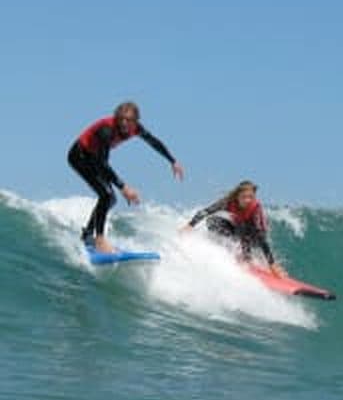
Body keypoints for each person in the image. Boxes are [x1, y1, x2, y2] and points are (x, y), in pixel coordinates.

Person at [68, 102, 184, 253]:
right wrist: (123, 187)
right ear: (116, 118)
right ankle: (99, 239)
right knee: (106, 195)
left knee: (110, 198)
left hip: (96, 158)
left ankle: (88, 235)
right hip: (79, 156)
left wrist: (172, 161)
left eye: (128, 120)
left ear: (135, 121)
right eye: (121, 119)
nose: (124, 123)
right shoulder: (106, 130)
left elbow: (153, 141)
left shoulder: (136, 128)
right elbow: (101, 162)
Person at [182, 180, 286, 276]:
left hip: (256, 235)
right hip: (239, 228)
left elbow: (260, 236)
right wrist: (189, 226)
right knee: (212, 221)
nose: (248, 200)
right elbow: (206, 211)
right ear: (237, 196)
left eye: (251, 197)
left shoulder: (255, 207)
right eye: (244, 197)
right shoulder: (228, 202)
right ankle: (235, 252)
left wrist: (272, 265)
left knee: (246, 228)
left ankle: (248, 259)